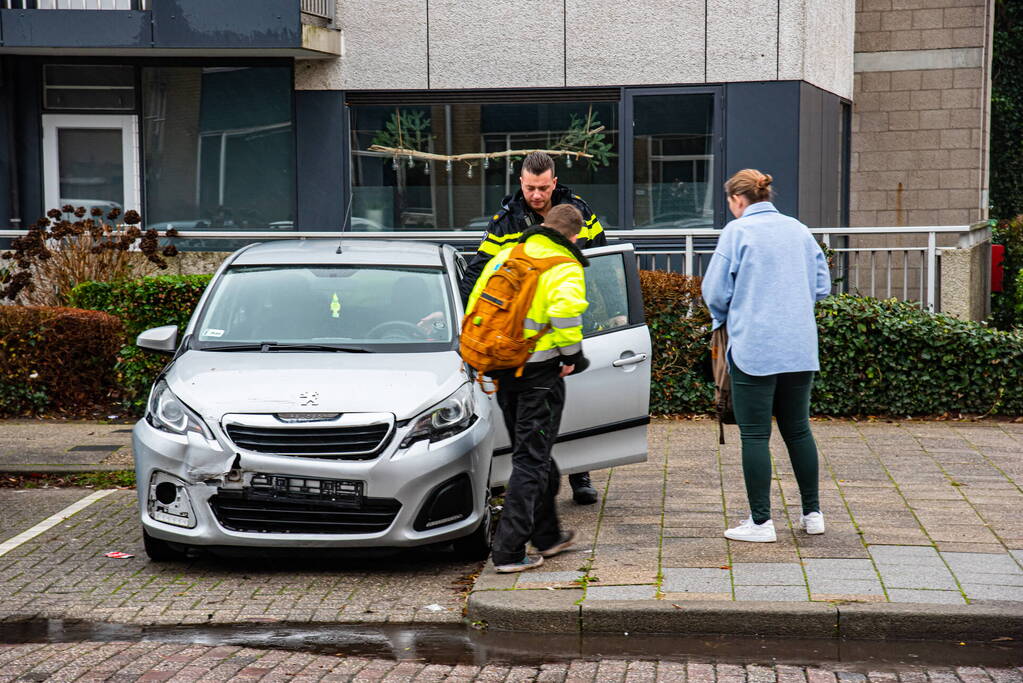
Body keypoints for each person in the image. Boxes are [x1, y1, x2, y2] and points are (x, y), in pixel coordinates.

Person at [460, 151, 606, 505]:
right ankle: (538, 480)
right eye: (529, 188)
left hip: (572, 318)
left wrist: (610, 314)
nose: (536, 195)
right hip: (524, 336)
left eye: (542, 188)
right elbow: (479, 273)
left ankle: (579, 472)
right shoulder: (506, 221)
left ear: (554, 183)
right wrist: (459, 318)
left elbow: (601, 262)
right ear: (520, 183)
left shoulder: (580, 213)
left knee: (574, 406)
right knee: (538, 418)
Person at [701, 169, 832, 543]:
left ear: (737, 200)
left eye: (729, 202)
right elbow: (822, 286)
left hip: (754, 346)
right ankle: (813, 514)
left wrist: (729, 315)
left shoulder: (737, 233)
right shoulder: (799, 230)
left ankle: (761, 522)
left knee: (755, 435)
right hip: (799, 346)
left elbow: (714, 292)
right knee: (798, 429)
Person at [464, 203, 590, 572]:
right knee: (531, 460)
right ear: (573, 236)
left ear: (542, 225)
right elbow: (566, 314)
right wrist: (573, 357)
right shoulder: (564, 264)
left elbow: (477, 302)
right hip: (539, 374)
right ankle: (508, 551)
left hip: (501, 368)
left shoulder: (507, 253)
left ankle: (547, 537)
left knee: (531, 450)